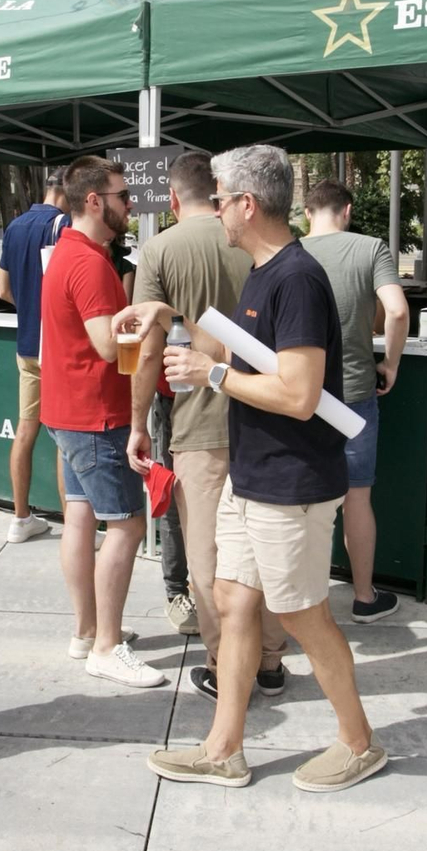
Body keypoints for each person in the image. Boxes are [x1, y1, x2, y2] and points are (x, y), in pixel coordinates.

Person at [139, 144, 386, 792]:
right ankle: (224, 748)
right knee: (234, 600)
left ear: (247, 204)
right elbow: (241, 348)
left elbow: (301, 395)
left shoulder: (296, 279)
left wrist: (212, 373)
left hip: (290, 483)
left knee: (303, 613)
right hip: (255, 476)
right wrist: (168, 318)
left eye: (220, 198)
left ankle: (359, 742)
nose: (214, 209)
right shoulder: (262, 270)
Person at [125, 152, 280, 675]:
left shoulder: (160, 249)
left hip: (201, 421)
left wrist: (138, 423)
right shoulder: (264, 239)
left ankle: (223, 661)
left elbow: (148, 349)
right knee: (266, 547)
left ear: (171, 199)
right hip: (267, 413)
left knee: (208, 552)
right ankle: (272, 658)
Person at [41, 155, 168, 690]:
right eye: (122, 196)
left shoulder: (72, 252)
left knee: (80, 519)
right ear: (94, 200)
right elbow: (106, 344)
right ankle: (106, 647)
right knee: (127, 527)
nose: (130, 204)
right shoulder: (90, 262)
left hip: (68, 411)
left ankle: (88, 631)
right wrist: (152, 320)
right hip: (96, 414)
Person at [300, 179, 411, 623]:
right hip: (354, 393)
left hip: (301, 393)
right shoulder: (370, 248)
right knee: (356, 497)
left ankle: (305, 601)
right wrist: (392, 363)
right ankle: (364, 597)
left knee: (301, 501)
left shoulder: (290, 250)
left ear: (308, 212)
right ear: (346, 210)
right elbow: (398, 311)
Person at [0, 171, 68, 544]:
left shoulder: (15, 226)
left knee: (25, 429)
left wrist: (29, 306)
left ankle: (20, 517)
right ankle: (74, 525)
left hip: (26, 345)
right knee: (64, 437)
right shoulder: (65, 225)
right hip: (56, 346)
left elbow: (3, 289)